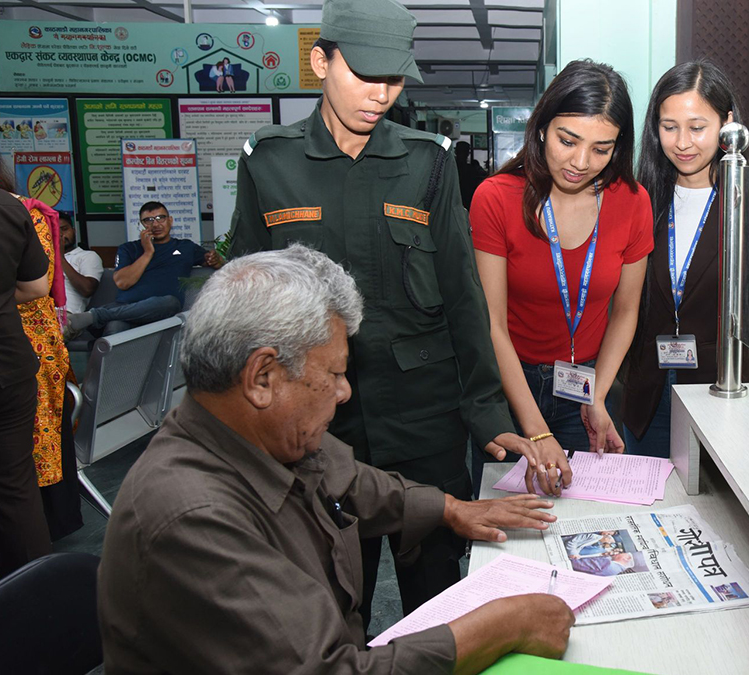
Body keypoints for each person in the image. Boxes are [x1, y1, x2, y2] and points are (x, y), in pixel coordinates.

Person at [98, 245, 575, 674]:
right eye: (334, 373)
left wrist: (452, 509)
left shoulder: (252, 431)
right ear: (262, 378)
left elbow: (350, 480)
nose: (345, 392)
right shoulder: (193, 519)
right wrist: (502, 626)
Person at [228, 0, 542, 624]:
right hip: (318, 426)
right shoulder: (268, 161)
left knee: (437, 595)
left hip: (423, 419)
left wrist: (485, 409)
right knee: (333, 596)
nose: (381, 94)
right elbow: (246, 303)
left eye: (394, 80)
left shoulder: (427, 161)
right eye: (365, 75)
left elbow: (462, 294)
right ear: (321, 61)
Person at [470, 59, 652, 493]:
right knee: (512, 519)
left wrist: (598, 395)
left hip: (584, 383)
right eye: (567, 140)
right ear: (541, 128)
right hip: (509, 384)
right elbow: (491, 325)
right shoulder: (496, 198)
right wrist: (535, 430)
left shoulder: (632, 201)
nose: (580, 162)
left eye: (601, 149)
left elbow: (625, 312)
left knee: (580, 514)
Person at [622, 61, 749, 457]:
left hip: (724, 391)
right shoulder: (640, 201)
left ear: (727, 123)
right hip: (646, 394)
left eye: (697, 127)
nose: (683, 142)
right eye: (670, 127)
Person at [0, 160, 52, 577]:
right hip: (6, 364)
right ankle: (34, 601)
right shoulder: (10, 207)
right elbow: (36, 287)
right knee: (15, 487)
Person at [12, 195, 83, 541]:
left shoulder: (26, 213)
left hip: (29, 347)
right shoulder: (25, 211)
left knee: (33, 444)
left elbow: (37, 286)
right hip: (30, 346)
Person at [66, 201, 223, 335]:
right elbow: (122, 283)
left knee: (170, 302)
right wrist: (148, 252)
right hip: (124, 309)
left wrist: (217, 260)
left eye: (160, 218)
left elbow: (216, 263)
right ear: (142, 225)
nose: (155, 224)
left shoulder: (186, 247)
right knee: (116, 325)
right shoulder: (129, 249)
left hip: (160, 312)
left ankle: (96, 315)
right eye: (148, 220)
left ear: (170, 220)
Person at [57, 212, 103, 320]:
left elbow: (87, 289)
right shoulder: (41, 258)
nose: (60, 234)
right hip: (37, 313)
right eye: (54, 230)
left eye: (64, 229)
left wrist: (60, 258)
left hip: (66, 316)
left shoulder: (87, 256)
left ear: (74, 231)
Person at [454, 140, 487, 209]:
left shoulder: (472, 169)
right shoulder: (451, 167)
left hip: (468, 201)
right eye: (461, 152)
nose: (463, 154)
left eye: (464, 152)